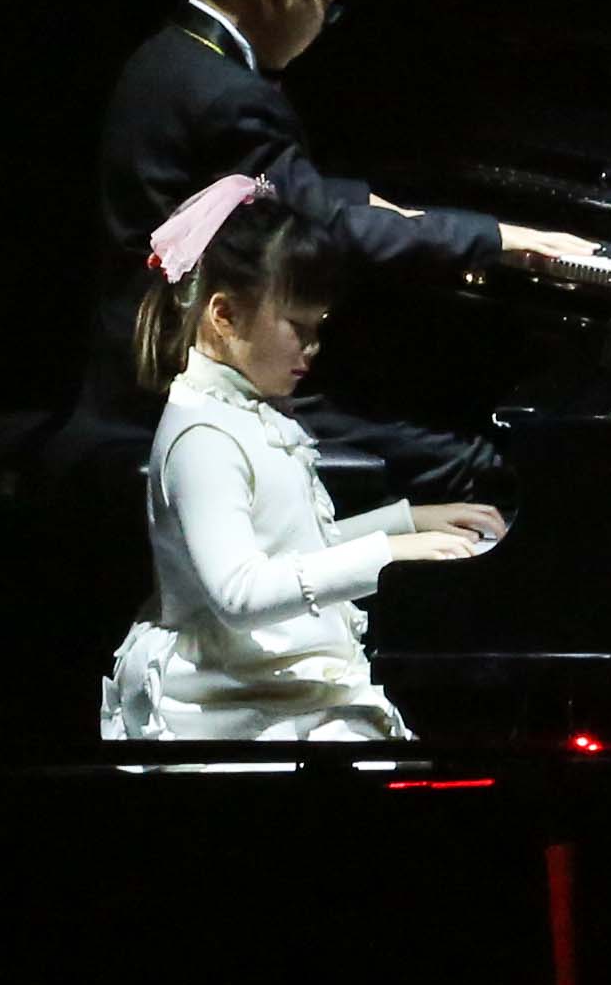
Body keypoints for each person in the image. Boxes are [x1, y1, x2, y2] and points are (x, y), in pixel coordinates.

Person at [89, 0, 611, 505]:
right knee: (475, 464)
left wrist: (367, 200)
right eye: (327, 5)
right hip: (199, 380)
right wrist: (497, 238)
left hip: (139, 359)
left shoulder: (165, 59)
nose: (326, 23)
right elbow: (317, 228)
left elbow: (264, 191)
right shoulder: (232, 98)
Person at [100, 180, 505, 741]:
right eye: (298, 327)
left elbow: (291, 548)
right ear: (224, 315)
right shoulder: (202, 435)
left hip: (265, 677)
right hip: (230, 698)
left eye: (318, 328)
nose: (312, 347)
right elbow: (241, 594)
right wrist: (388, 553)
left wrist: (406, 520)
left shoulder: (243, 412)